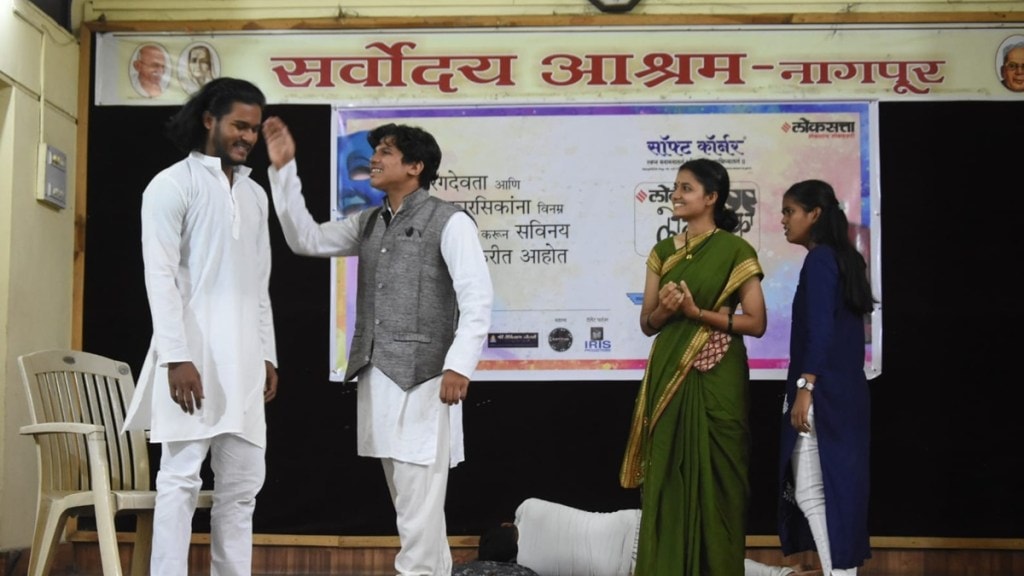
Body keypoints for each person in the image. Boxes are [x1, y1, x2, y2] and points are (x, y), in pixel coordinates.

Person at [262, 117, 494, 576]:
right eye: (376, 151)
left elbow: (477, 297)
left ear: (415, 166)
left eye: (386, 152)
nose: (375, 159)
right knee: (411, 500)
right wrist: (284, 171)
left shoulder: (449, 221)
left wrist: (459, 366)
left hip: (427, 379)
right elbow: (305, 239)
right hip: (379, 374)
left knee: (417, 498)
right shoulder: (369, 221)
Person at [122, 77, 279, 576]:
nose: (248, 137)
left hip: (245, 363)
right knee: (180, 480)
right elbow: (160, 277)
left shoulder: (254, 195)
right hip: (190, 360)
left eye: (254, 128)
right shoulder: (171, 185)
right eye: (239, 125)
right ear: (209, 120)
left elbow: (259, 284)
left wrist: (267, 353)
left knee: (242, 488)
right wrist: (176, 356)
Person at [620, 158, 767, 576]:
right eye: (676, 187)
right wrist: (666, 312)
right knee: (667, 474)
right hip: (669, 371)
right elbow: (648, 323)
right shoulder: (662, 253)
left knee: (721, 477)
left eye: (686, 188)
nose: (676, 195)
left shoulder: (736, 251)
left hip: (717, 373)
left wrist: (696, 312)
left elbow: (757, 322)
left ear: (711, 197)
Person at [778, 179, 874, 575]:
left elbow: (821, 330)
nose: (783, 220)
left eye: (789, 211)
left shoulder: (819, 260)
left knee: (814, 489)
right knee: (834, 490)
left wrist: (806, 387)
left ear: (814, 214)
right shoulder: (846, 258)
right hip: (846, 392)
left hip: (823, 392)